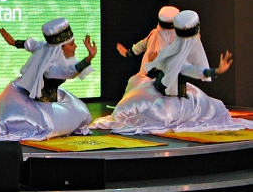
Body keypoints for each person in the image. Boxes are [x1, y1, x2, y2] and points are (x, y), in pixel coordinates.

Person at [90, 10, 253, 135]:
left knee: (213, 106)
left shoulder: (172, 51)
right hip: (168, 100)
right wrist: (217, 70)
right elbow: (195, 71)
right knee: (210, 110)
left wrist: (153, 65)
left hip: (167, 92)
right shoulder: (175, 55)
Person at [0, 18, 97, 141]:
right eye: (71, 44)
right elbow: (69, 71)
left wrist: (14, 42)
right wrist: (89, 58)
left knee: (80, 111)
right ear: (60, 48)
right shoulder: (51, 67)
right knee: (50, 125)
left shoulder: (45, 48)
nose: (75, 47)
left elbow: (30, 44)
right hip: (35, 103)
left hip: (52, 99)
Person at [117, 6, 180, 93]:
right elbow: (143, 44)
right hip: (145, 76)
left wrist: (156, 65)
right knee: (132, 86)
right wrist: (129, 52)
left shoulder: (178, 41)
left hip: (162, 81)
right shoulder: (155, 33)